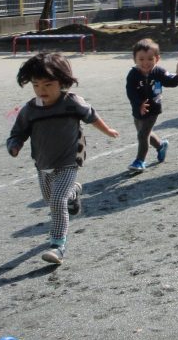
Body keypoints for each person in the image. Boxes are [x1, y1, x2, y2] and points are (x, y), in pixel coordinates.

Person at [7, 52, 121, 265]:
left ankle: (58, 245)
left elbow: (91, 116)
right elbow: (17, 132)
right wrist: (14, 145)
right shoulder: (30, 110)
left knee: (57, 202)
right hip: (43, 164)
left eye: (48, 85)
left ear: (63, 82)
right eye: (36, 85)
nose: (42, 91)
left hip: (69, 160)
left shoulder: (72, 103)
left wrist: (108, 131)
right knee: (53, 201)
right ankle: (75, 192)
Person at [125, 38, 178, 171]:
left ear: (157, 59)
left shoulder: (158, 72)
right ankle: (161, 146)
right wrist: (138, 104)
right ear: (134, 59)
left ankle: (140, 161)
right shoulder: (132, 75)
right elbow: (131, 92)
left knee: (142, 135)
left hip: (153, 109)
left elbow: (172, 81)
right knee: (145, 133)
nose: (146, 63)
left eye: (150, 59)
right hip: (138, 109)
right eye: (141, 59)